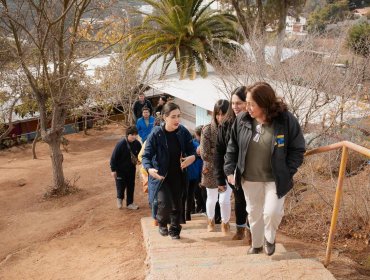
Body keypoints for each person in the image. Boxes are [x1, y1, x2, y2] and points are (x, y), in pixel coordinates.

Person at [224, 82, 305, 256]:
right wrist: (229, 170)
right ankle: (258, 244)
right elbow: (232, 147)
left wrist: (287, 170)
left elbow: (297, 149)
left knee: (272, 212)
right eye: (247, 102)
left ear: (264, 103)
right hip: (250, 177)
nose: (248, 107)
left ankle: (270, 237)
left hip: (275, 178)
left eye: (252, 103)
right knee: (254, 213)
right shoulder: (242, 120)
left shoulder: (285, 120)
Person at [142, 102, 196, 239]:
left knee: (177, 204)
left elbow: (192, 150)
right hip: (161, 176)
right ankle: (162, 223)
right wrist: (149, 169)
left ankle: (175, 229)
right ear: (165, 117)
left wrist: (192, 157)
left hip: (178, 174)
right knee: (164, 203)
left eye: (179, 116)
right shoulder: (156, 134)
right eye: (173, 117)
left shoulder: (182, 131)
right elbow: (146, 155)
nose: (177, 120)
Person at [215, 87, 250, 242]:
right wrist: (220, 178)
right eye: (233, 103)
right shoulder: (226, 124)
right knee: (240, 201)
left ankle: (252, 233)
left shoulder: (255, 122)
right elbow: (219, 152)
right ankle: (241, 229)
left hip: (253, 170)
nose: (235, 106)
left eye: (239, 103)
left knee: (253, 203)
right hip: (234, 172)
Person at [200, 99, 232, 234]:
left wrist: (218, 152)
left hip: (229, 169)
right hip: (211, 169)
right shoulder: (207, 129)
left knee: (224, 200)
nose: (220, 117)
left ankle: (225, 223)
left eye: (223, 114)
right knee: (212, 198)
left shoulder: (233, 128)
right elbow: (204, 153)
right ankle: (211, 221)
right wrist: (221, 155)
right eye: (217, 114)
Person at [110, 126, 142, 210]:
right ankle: (119, 199)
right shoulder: (121, 144)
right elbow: (113, 157)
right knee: (121, 186)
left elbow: (141, 154)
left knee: (131, 186)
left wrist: (139, 160)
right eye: (132, 135)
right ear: (127, 135)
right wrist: (113, 170)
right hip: (120, 170)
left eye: (135, 135)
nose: (134, 137)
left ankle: (130, 203)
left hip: (131, 169)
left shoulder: (137, 144)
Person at [185, 125, 204, 220]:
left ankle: (190, 212)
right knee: (192, 194)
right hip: (196, 173)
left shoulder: (195, 146)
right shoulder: (197, 145)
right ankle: (190, 212)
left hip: (190, 174)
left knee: (188, 194)